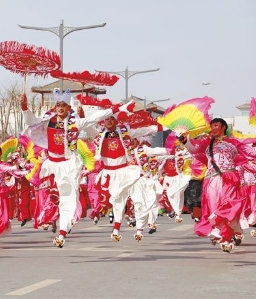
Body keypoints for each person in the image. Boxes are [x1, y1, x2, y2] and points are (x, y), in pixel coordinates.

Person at [20, 88, 134, 248]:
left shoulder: (76, 123)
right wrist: (24, 107)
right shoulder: (48, 122)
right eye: (58, 105)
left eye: (63, 105)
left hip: (68, 166)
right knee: (49, 195)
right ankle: (50, 218)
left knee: (68, 199)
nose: (60, 108)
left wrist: (117, 109)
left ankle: (62, 233)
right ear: (55, 107)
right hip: (51, 165)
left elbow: (96, 117)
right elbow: (31, 120)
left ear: (68, 108)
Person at [180, 118, 256, 252]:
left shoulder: (234, 142)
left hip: (230, 179)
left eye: (216, 125)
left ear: (223, 128)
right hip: (212, 180)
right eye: (212, 125)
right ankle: (222, 236)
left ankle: (226, 237)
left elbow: (251, 152)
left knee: (231, 207)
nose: (213, 128)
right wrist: (184, 140)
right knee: (215, 209)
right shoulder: (205, 143)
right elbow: (193, 149)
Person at [90, 112, 160, 242]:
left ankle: (139, 229)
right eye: (107, 119)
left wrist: (159, 127)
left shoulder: (125, 132)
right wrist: (81, 116)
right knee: (117, 202)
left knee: (139, 200)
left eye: (112, 119)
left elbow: (142, 130)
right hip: (109, 174)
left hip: (126, 173)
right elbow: (86, 126)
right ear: (102, 122)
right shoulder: (99, 135)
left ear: (117, 122)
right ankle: (116, 229)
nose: (109, 121)